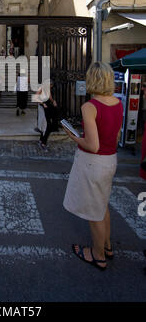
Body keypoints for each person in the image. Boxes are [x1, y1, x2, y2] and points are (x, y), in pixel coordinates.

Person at [62, 61, 123, 271]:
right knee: (102, 205)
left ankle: (98, 255)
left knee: (93, 213)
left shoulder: (90, 107)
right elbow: (114, 139)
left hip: (93, 163)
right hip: (111, 160)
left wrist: (73, 137)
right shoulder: (118, 103)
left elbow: (92, 145)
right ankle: (106, 247)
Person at [36, 79, 59, 150]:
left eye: (51, 86)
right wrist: (43, 104)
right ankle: (43, 143)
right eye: (50, 86)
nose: (51, 87)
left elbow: (50, 97)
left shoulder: (48, 89)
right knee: (47, 125)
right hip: (43, 108)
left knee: (47, 125)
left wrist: (53, 101)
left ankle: (41, 141)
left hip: (48, 108)